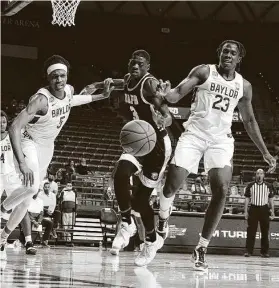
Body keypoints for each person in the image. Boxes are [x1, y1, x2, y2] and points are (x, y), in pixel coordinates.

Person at [155, 40, 277, 271]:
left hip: (221, 140)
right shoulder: (203, 71)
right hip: (194, 134)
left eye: (233, 53)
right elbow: (177, 94)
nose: (228, 55)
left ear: (240, 58)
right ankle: (163, 217)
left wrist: (265, 152)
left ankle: (201, 247)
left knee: (221, 189)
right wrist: (166, 93)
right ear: (219, 54)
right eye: (225, 51)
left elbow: (249, 121)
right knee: (171, 185)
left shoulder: (244, 86)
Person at [0, 55, 114, 257]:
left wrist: (101, 95)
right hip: (29, 142)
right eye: (54, 77)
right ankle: (3, 208)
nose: (59, 80)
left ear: (67, 76)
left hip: (47, 147)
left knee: (27, 199)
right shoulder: (41, 99)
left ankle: (2, 237)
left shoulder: (68, 91)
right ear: (48, 78)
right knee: (31, 186)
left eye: (62, 76)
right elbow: (15, 126)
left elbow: (75, 98)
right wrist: (22, 163)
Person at [109, 49, 173, 267]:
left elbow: (169, 115)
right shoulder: (128, 80)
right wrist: (100, 85)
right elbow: (117, 82)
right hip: (138, 142)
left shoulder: (149, 84)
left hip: (157, 146)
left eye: (139, 63)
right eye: (132, 62)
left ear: (147, 67)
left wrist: (163, 118)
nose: (135, 66)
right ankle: (127, 221)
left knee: (140, 200)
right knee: (120, 173)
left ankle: (152, 240)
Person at [0, 110, 37, 258]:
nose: (1, 124)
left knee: (22, 206)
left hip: (12, 175)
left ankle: (28, 242)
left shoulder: (13, 136)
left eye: (3, 121)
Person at [244, 169, 275, 257]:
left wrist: (272, 211)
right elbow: (246, 199)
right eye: (257, 173)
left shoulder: (268, 185)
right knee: (251, 231)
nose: (259, 175)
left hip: (264, 209)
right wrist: (245, 211)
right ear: (255, 175)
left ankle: (264, 252)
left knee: (265, 231)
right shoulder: (250, 185)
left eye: (261, 173)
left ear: (264, 175)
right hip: (253, 209)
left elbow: (271, 200)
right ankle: (248, 251)